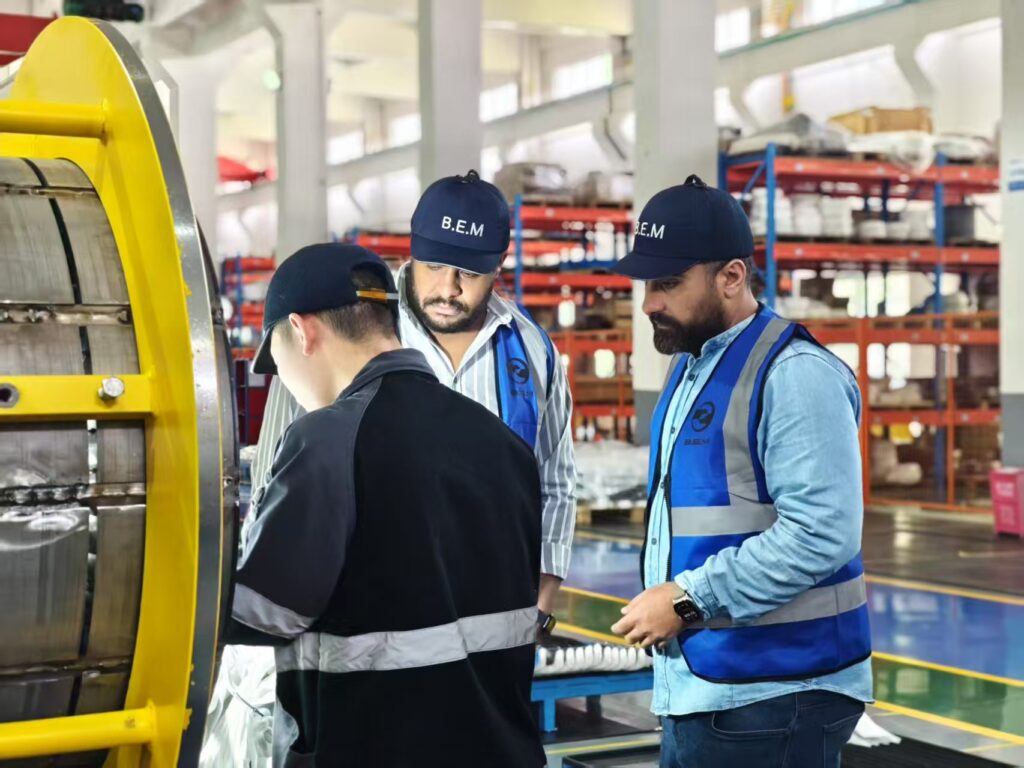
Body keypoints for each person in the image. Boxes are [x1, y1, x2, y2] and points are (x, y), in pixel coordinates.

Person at [226, 243, 546, 767]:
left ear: (302, 332)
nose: (284, 381)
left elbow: (263, 612)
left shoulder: (327, 439)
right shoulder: (502, 442)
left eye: (276, 363)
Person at [608, 175, 873, 767]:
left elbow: (821, 533)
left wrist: (685, 601)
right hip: (712, 681)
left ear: (731, 276)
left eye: (668, 284)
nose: (649, 303)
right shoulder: (691, 367)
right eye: (648, 284)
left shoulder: (794, 374)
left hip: (778, 692)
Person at [252, 169, 576, 630]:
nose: (448, 289)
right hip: (372, 614)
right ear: (412, 252)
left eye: (469, 273)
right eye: (434, 267)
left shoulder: (531, 349)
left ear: (499, 265)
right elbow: (272, 483)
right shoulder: (351, 327)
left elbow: (554, 480)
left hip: (491, 615)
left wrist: (539, 599)